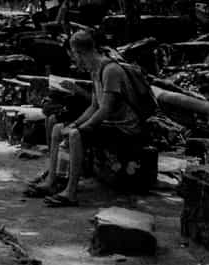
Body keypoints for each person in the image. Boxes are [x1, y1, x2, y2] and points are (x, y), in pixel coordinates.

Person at [24, 28, 156, 206]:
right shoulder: (95, 71)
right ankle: (51, 181)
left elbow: (105, 109)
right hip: (110, 122)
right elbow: (94, 106)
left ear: (80, 53)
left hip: (126, 127)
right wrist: (75, 123)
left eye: (74, 56)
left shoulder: (111, 70)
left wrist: (80, 128)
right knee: (58, 128)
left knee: (75, 135)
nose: (74, 61)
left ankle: (70, 193)